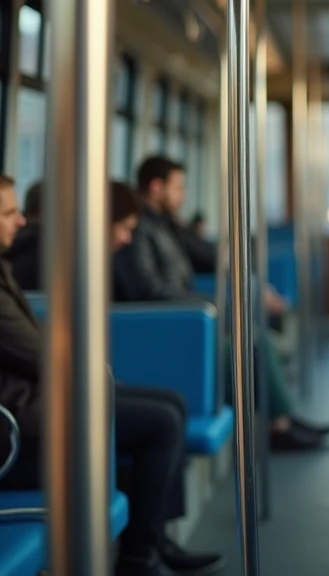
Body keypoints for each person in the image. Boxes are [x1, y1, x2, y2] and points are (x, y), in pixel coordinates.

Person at [0, 177, 225, 576]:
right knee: (162, 420)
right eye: (8, 213)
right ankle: (141, 555)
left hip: (39, 400)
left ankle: (153, 538)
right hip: (22, 424)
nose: (21, 221)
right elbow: (41, 357)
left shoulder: (6, 268)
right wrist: (96, 380)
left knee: (171, 402)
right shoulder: (29, 266)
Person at [114, 155, 329, 451]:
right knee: (255, 344)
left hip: (186, 320)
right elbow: (147, 291)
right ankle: (279, 423)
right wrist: (215, 307)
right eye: (178, 188)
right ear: (156, 188)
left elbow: (201, 257)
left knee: (256, 334)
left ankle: (283, 417)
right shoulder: (138, 232)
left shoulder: (164, 226)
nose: (183, 196)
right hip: (173, 327)